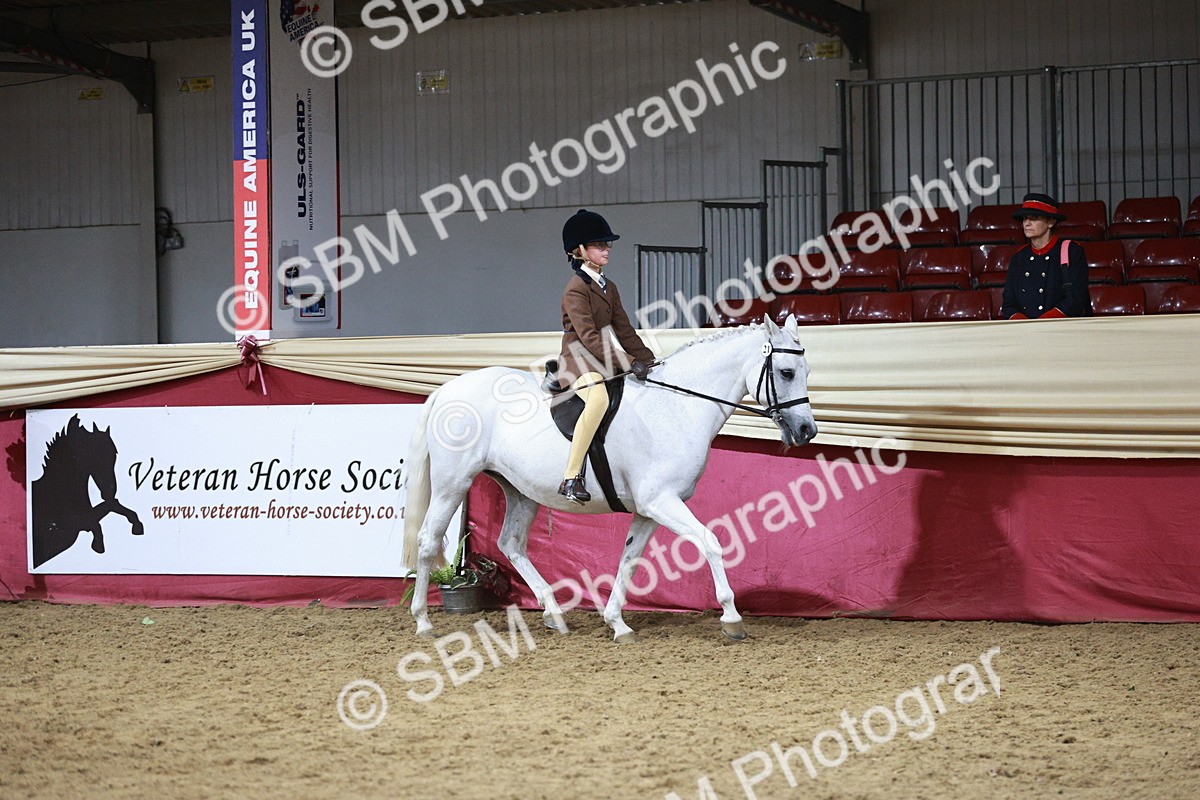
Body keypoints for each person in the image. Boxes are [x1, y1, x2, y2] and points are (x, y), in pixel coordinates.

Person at [556, 209, 655, 504]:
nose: (607, 249)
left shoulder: (608, 287)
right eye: (599, 245)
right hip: (578, 359)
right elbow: (588, 337)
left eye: (608, 244)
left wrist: (647, 358)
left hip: (603, 357)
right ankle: (571, 477)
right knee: (598, 399)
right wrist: (627, 362)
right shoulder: (576, 288)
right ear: (580, 251)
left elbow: (624, 330)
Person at [1000, 193, 1091, 320]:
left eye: (1034, 218)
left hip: (1062, 329)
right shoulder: (1019, 257)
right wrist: (1022, 323)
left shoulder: (1070, 250)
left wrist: (1044, 322)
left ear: (1051, 222)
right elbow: (1009, 302)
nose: (1027, 223)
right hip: (1025, 331)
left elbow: (1076, 298)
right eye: (1025, 218)